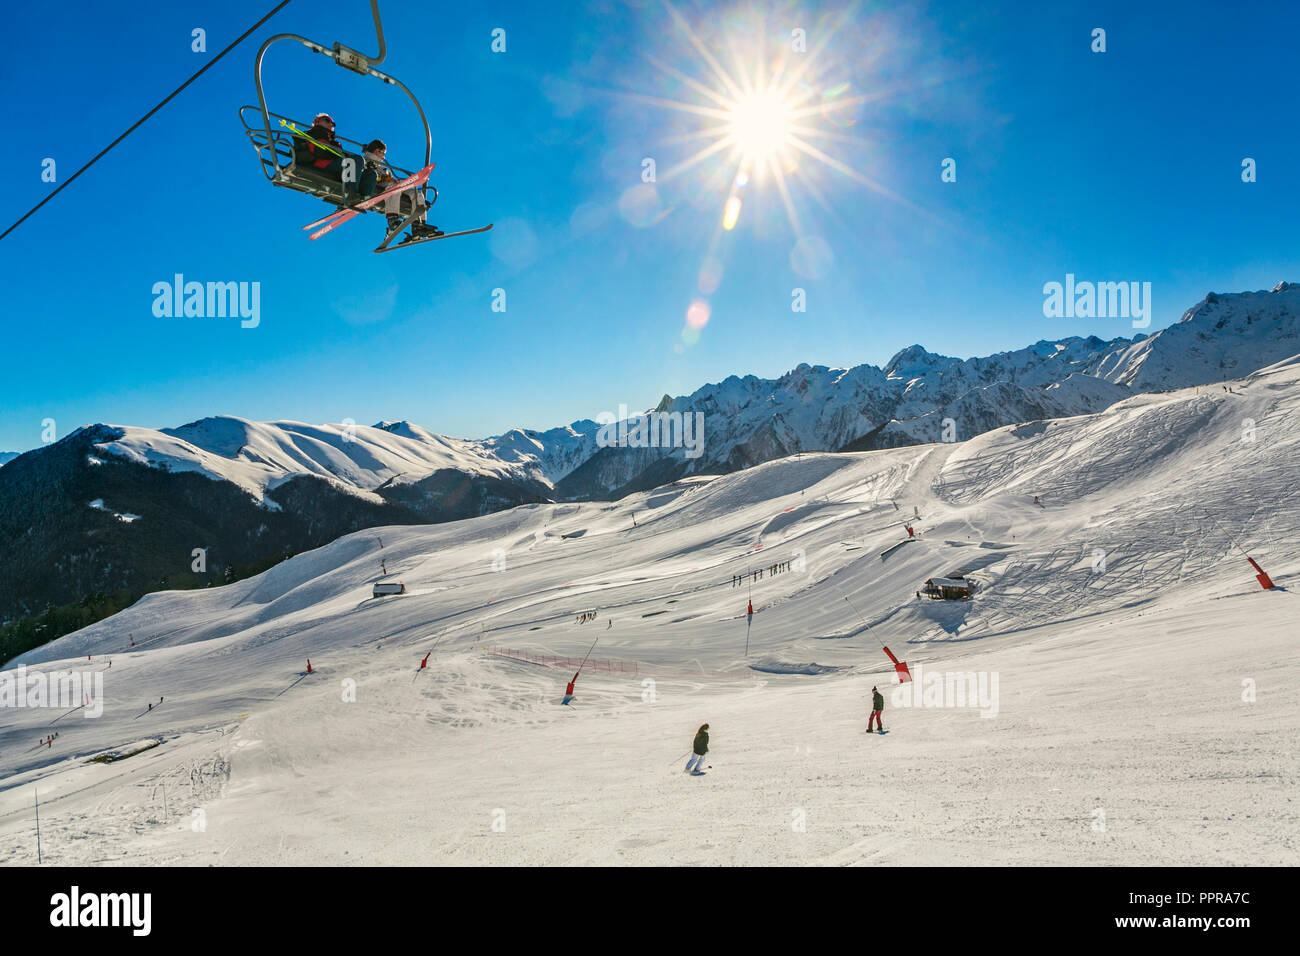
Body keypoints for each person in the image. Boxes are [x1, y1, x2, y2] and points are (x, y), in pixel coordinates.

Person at [359, 139, 441, 239]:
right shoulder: (366, 160)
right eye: (383, 154)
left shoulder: (380, 164)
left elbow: (388, 177)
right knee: (394, 188)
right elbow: (368, 175)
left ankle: (418, 225)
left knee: (416, 193)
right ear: (377, 151)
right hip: (379, 186)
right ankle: (392, 219)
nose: (384, 157)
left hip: (390, 184)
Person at [292, 113, 362, 192]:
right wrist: (338, 155)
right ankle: (350, 192)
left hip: (334, 165)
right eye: (327, 120)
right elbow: (320, 152)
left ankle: (364, 196)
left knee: (365, 170)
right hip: (323, 164)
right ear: (317, 122)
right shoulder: (317, 133)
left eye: (333, 124)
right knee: (354, 161)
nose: (331, 124)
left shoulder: (332, 140)